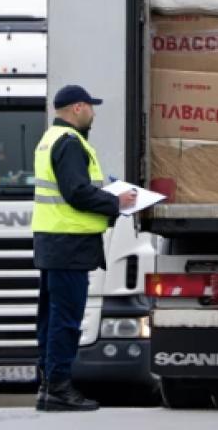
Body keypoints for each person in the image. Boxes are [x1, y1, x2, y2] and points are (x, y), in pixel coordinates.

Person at [32, 84, 137, 412]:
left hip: (53, 241)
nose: (93, 112)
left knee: (50, 317)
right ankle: (59, 387)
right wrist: (115, 202)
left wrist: (106, 192)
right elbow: (76, 192)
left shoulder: (50, 139)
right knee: (65, 317)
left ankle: (48, 385)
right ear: (78, 108)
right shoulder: (70, 142)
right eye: (91, 106)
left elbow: (73, 188)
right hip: (69, 244)